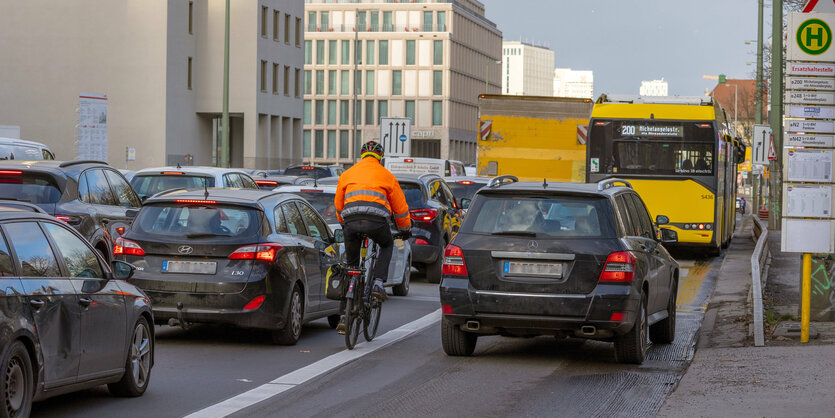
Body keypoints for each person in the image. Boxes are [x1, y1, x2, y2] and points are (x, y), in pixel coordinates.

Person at [334, 141, 411, 333]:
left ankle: (344, 314)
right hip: (377, 223)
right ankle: (378, 282)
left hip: (351, 222)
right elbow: (400, 210)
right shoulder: (387, 176)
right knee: (386, 244)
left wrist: (344, 222)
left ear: (362, 155)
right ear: (380, 157)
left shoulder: (347, 173)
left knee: (351, 267)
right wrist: (405, 229)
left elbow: (338, 205)